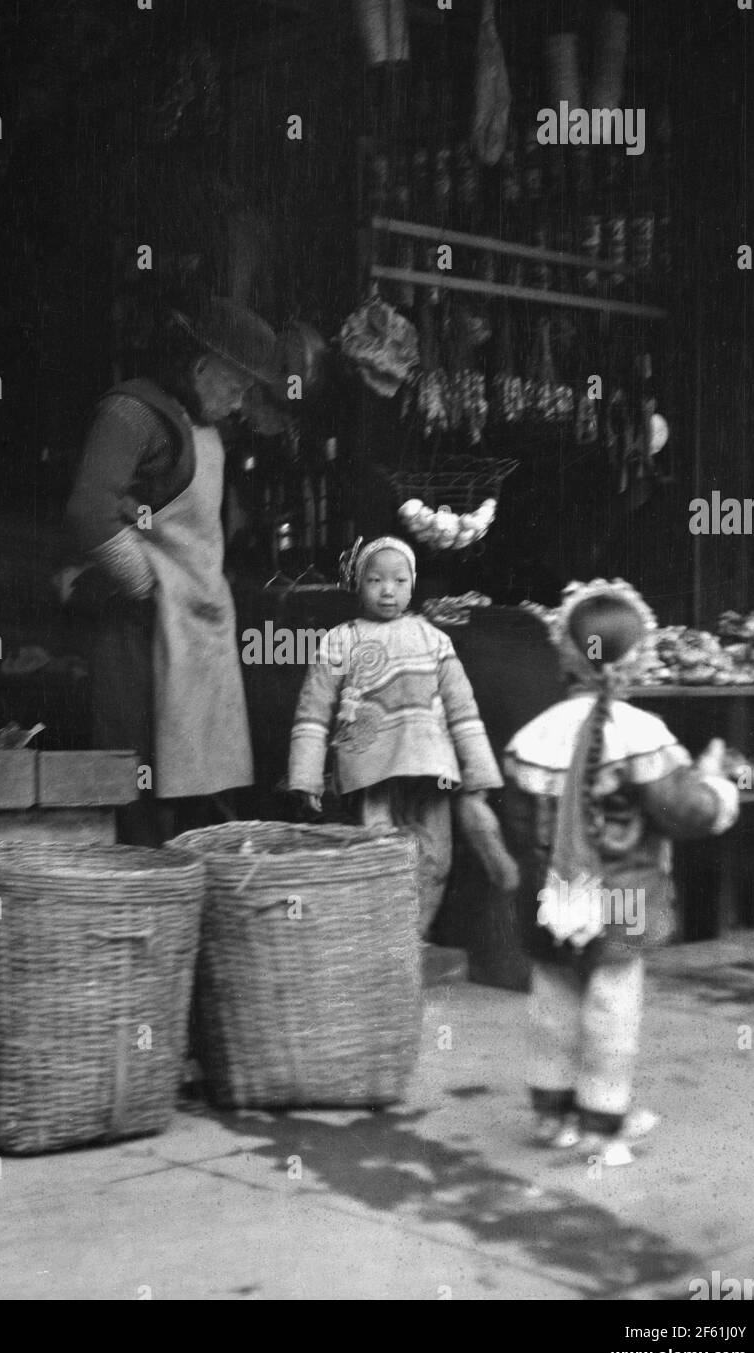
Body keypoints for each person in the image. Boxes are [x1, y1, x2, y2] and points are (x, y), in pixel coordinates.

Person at [501, 579, 739, 1166]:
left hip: (549, 897)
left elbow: (515, 826)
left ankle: (552, 1117)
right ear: (633, 661)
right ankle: (603, 1126)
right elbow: (685, 812)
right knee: (612, 1006)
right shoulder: (642, 735)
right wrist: (715, 783)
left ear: (567, 654)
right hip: (621, 899)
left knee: (553, 1000)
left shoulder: (531, 736)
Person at [65, 297, 284, 842]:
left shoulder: (201, 426)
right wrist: (150, 589)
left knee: (189, 790)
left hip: (193, 630)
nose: (238, 404)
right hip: (136, 634)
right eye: (235, 387)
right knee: (136, 790)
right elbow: (88, 513)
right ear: (200, 368)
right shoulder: (132, 413)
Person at [287, 536, 519, 935]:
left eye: (398, 580)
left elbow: (462, 710)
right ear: (359, 586)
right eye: (375, 580)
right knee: (378, 855)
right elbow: (314, 709)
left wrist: (479, 774)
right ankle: (384, 939)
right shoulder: (340, 640)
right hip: (370, 772)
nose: (387, 590)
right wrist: (305, 774)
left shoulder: (433, 639)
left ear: (412, 585)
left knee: (433, 858)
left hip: (431, 769)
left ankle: (415, 937)